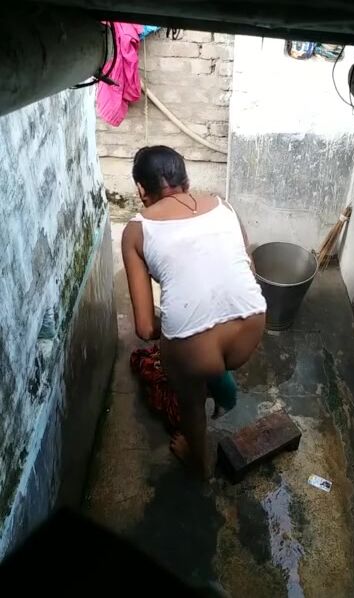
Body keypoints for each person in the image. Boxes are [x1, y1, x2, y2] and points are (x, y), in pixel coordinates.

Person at [122, 146, 266, 478]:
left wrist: (181, 329)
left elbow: (145, 328)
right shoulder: (224, 206)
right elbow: (247, 270)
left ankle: (199, 463)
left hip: (194, 352)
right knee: (207, 339)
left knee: (190, 399)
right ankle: (216, 374)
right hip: (251, 327)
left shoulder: (136, 231)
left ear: (141, 190)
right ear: (186, 180)